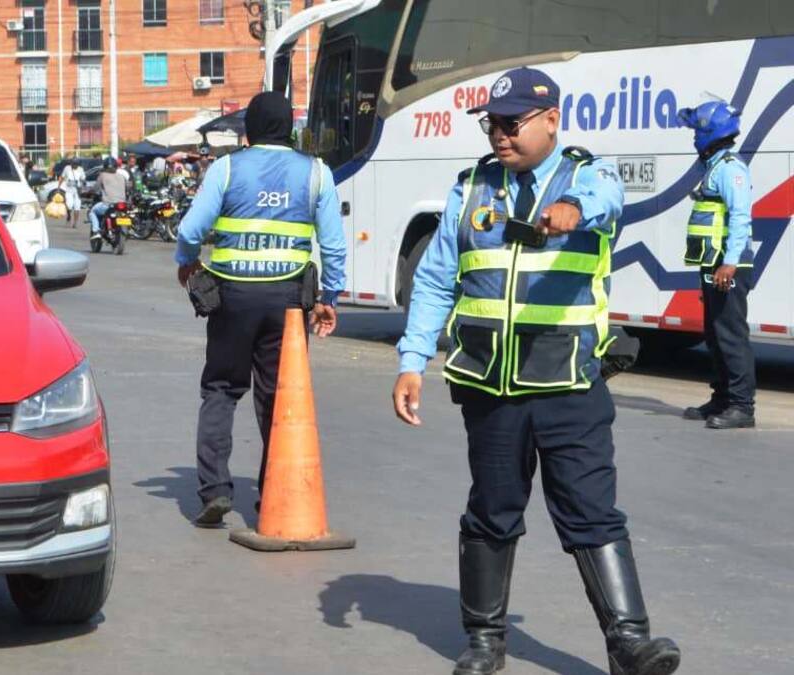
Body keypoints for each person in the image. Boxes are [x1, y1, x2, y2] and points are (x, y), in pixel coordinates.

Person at [391, 67, 681, 675]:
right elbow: (438, 277)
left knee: (592, 511)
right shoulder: (471, 189)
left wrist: (570, 209)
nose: (499, 134)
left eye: (512, 123)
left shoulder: (587, 177)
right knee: (492, 509)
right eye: (492, 123)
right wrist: (412, 360)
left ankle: (630, 642)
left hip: (568, 381)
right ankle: (484, 641)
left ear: (552, 120)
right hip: (488, 386)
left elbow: (608, 199)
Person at [174, 92, 346, 528]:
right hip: (288, 302)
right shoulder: (316, 173)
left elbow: (191, 230)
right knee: (279, 397)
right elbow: (333, 244)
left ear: (248, 130)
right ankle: (274, 493)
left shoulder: (227, 168)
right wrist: (330, 296)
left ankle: (215, 491)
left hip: (232, 297)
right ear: (291, 129)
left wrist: (187, 262)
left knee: (220, 390)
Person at [676, 100, 756, 429]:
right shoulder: (715, 165)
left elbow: (740, 218)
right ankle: (722, 398)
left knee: (731, 335)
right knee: (715, 333)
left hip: (728, 266)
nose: (694, 136)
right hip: (714, 264)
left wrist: (730, 263)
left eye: (697, 130)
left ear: (711, 132)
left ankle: (742, 406)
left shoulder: (731, 169)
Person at [88, 156, 129, 240]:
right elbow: (128, 187)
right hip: (122, 204)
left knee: (92, 211)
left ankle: (96, 231)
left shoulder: (102, 175)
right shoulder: (121, 176)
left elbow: (95, 188)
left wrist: (88, 192)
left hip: (108, 204)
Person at [61, 159, 85, 228]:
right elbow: (62, 177)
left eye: (76, 165)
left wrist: (83, 182)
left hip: (77, 190)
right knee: (69, 205)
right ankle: (69, 215)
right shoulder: (67, 168)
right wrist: (59, 187)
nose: (75, 166)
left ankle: (75, 223)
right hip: (69, 190)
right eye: (74, 164)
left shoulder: (81, 169)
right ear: (71, 164)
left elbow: (83, 178)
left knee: (77, 207)